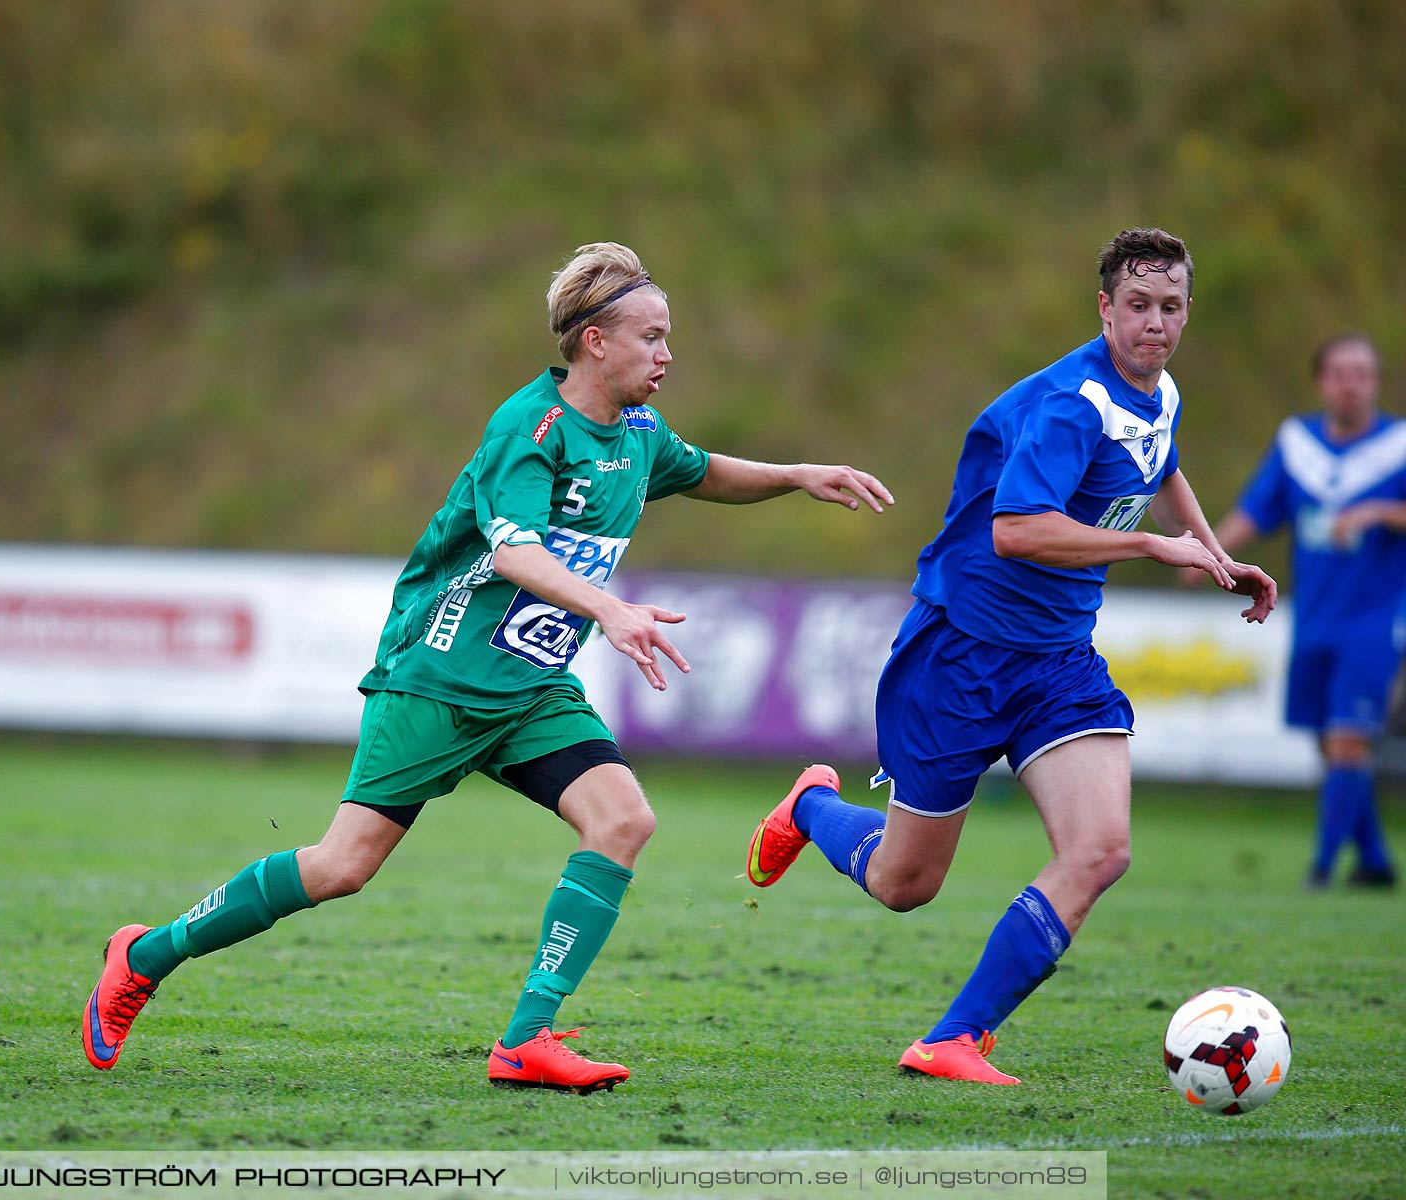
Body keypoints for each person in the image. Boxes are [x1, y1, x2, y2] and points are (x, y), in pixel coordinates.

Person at [83, 242, 894, 1092]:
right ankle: (144, 955)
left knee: (622, 821)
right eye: (651, 337)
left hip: (532, 689)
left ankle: (526, 1039)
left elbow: (703, 473)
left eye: (668, 338)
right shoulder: (529, 429)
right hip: (439, 677)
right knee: (340, 868)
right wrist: (609, 607)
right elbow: (513, 554)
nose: (666, 355)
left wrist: (798, 474)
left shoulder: (641, 434)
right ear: (594, 341)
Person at [744, 228, 1278, 1085]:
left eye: (1170, 307)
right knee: (904, 883)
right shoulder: (1074, 403)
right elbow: (1016, 529)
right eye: (1137, 306)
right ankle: (811, 807)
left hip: (1059, 660)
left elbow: (1161, 463)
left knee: (1101, 850)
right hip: (964, 652)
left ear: (1186, 312)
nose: (1155, 323)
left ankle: (955, 1037)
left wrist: (1211, 554)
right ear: (1104, 310)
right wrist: (1153, 551)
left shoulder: (1159, 390)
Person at [1209, 333, 1406, 888]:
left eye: (1362, 373)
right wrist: (1208, 554)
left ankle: (1319, 871)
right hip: (1315, 619)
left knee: (1349, 739)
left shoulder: (1398, 445)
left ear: (1376, 381)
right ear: (1322, 381)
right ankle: (1374, 862)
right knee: (1330, 743)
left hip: (1375, 622)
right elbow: (1257, 509)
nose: (1351, 383)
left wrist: (1377, 513)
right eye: (1341, 372)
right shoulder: (1298, 444)